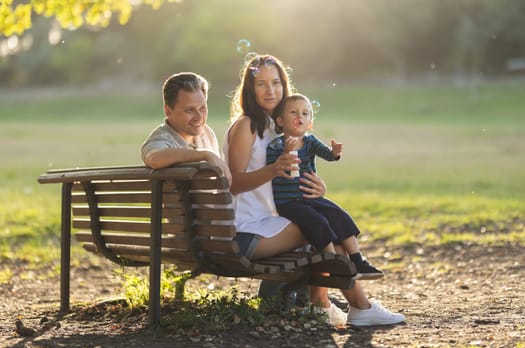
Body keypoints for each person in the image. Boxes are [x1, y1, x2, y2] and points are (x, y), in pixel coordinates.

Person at [223, 54, 405, 327]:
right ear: (249, 90)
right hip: (245, 231)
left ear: (285, 86)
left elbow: (287, 180)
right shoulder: (247, 125)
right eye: (261, 84)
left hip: (267, 224)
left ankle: (323, 304)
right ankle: (356, 306)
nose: (270, 90)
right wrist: (274, 170)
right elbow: (235, 183)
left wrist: (317, 187)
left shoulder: (277, 128)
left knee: (319, 218)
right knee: (321, 227)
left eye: (276, 82)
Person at [266, 93, 383, 280]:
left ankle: (358, 260)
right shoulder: (275, 146)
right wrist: (287, 153)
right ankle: (335, 262)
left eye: (305, 114)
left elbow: (326, 154)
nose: (300, 117)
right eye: (294, 113)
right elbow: (275, 170)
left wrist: (335, 153)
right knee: (317, 221)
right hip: (288, 202)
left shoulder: (310, 142)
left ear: (310, 122)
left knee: (339, 215)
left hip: (311, 197)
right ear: (280, 121)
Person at [141, 71, 231, 184]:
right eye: (189, 110)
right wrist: (205, 154)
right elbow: (154, 158)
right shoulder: (162, 138)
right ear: (168, 111)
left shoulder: (207, 133)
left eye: (202, 109)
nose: (199, 117)